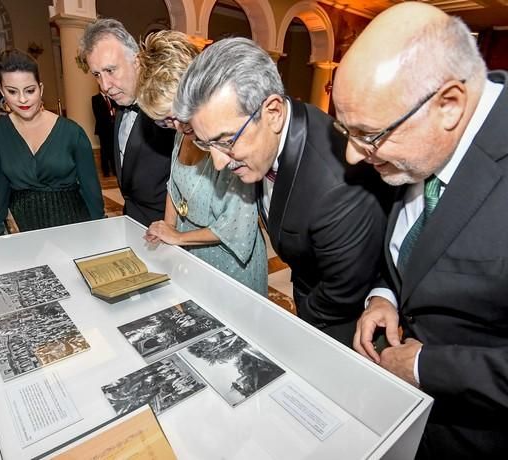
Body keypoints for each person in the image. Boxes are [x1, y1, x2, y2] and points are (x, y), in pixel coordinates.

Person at [332, 3, 508, 459]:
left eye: (367, 135)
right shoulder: (413, 143)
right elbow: (419, 253)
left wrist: (423, 365)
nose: (354, 156)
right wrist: (384, 297)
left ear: (448, 105)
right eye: (345, 131)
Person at [174, 38, 388, 346]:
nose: (218, 162)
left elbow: (343, 292)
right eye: (207, 144)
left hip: (346, 326)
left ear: (272, 111)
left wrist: (294, 328)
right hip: (309, 287)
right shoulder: (266, 138)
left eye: (225, 141)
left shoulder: (336, 186)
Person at [136, 31, 267, 296]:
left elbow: (237, 227)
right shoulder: (182, 131)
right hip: (191, 256)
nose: (178, 126)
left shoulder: (226, 141)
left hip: (230, 265)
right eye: (165, 121)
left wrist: (179, 238)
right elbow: (175, 186)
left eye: (177, 115)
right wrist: (168, 228)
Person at [0, 49, 104, 237]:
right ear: (0, 89)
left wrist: (99, 233)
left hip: (75, 230)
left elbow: (91, 193)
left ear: (41, 88)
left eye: (30, 90)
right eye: (12, 91)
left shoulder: (72, 132)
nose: (22, 99)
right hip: (28, 237)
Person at [79, 18, 175, 226]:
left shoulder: (168, 112)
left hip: (166, 229)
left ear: (137, 61)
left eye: (111, 70)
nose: (104, 85)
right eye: (97, 75)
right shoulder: (123, 103)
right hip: (132, 221)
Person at [91, 88, 116, 177]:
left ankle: (114, 170)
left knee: (113, 149)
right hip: (103, 129)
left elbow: (115, 109)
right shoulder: (95, 99)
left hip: (113, 128)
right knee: (104, 150)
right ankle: (106, 172)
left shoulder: (111, 98)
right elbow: (98, 114)